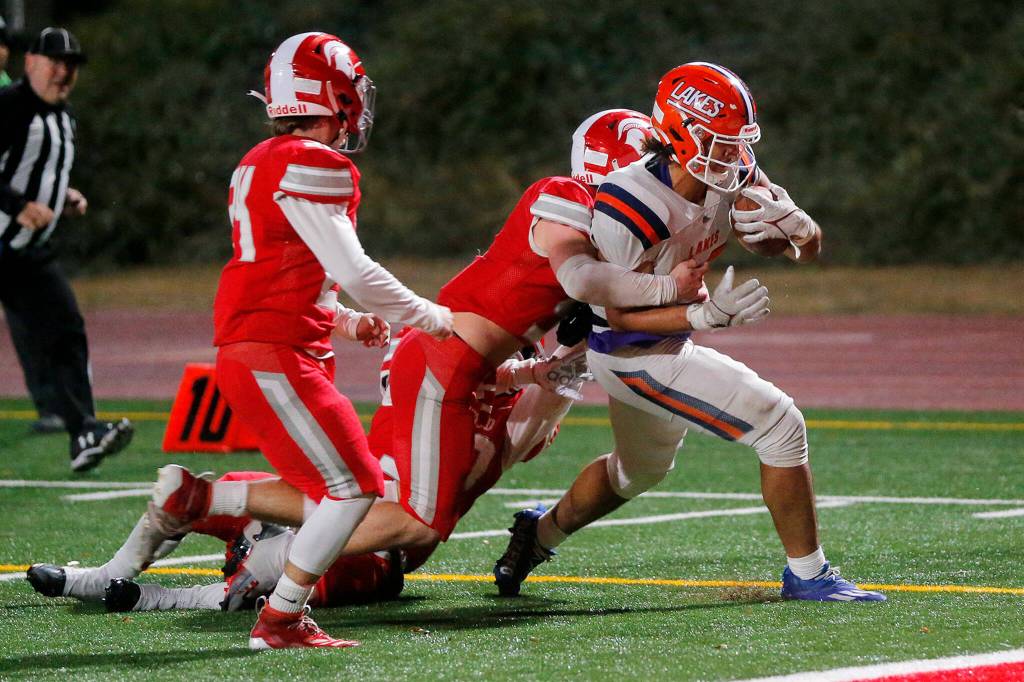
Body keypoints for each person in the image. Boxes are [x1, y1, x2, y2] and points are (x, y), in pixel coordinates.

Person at [493, 62, 886, 603]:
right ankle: (809, 574)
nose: (733, 154)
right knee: (780, 424)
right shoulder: (630, 204)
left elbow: (794, 245)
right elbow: (618, 318)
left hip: (664, 339)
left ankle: (536, 536)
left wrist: (799, 227)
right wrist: (702, 317)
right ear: (681, 132)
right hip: (627, 353)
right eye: (720, 141)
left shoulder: (734, 170)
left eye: (737, 141)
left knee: (636, 472)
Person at [145, 32, 456, 651]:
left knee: (339, 487)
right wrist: (430, 316)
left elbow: (290, 274)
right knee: (356, 488)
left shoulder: (262, 158)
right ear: (334, 95)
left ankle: (200, 512)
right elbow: (354, 271)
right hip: (276, 353)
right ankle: (280, 617)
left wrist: (346, 322)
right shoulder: (315, 163)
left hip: (263, 346)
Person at [26, 330, 578, 615]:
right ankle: (105, 575)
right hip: (336, 500)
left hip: (382, 548)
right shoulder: (428, 371)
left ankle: (155, 597)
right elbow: (426, 360)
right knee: (220, 492)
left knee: (274, 562)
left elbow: (553, 393)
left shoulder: (510, 427)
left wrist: (565, 349)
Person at [0, 27, 133, 470]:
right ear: (30, 63)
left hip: (27, 252)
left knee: (65, 329)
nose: (64, 71)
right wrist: (17, 205)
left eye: (71, 64)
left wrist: (63, 197)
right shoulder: (10, 106)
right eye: (55, 62)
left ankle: (84, 432)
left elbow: (40, 171)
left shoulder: (63, 116)